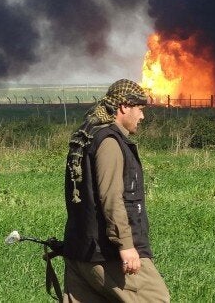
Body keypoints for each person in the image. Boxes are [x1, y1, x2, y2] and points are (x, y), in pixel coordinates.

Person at [62, 79, 170, 302]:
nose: (142, 116)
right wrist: (127, 247)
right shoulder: (109, 142)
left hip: (79, 252)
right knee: (157, 298)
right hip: (106, 254)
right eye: (140, 109)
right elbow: (111, 198)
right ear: (124, 106)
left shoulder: (87, 135)